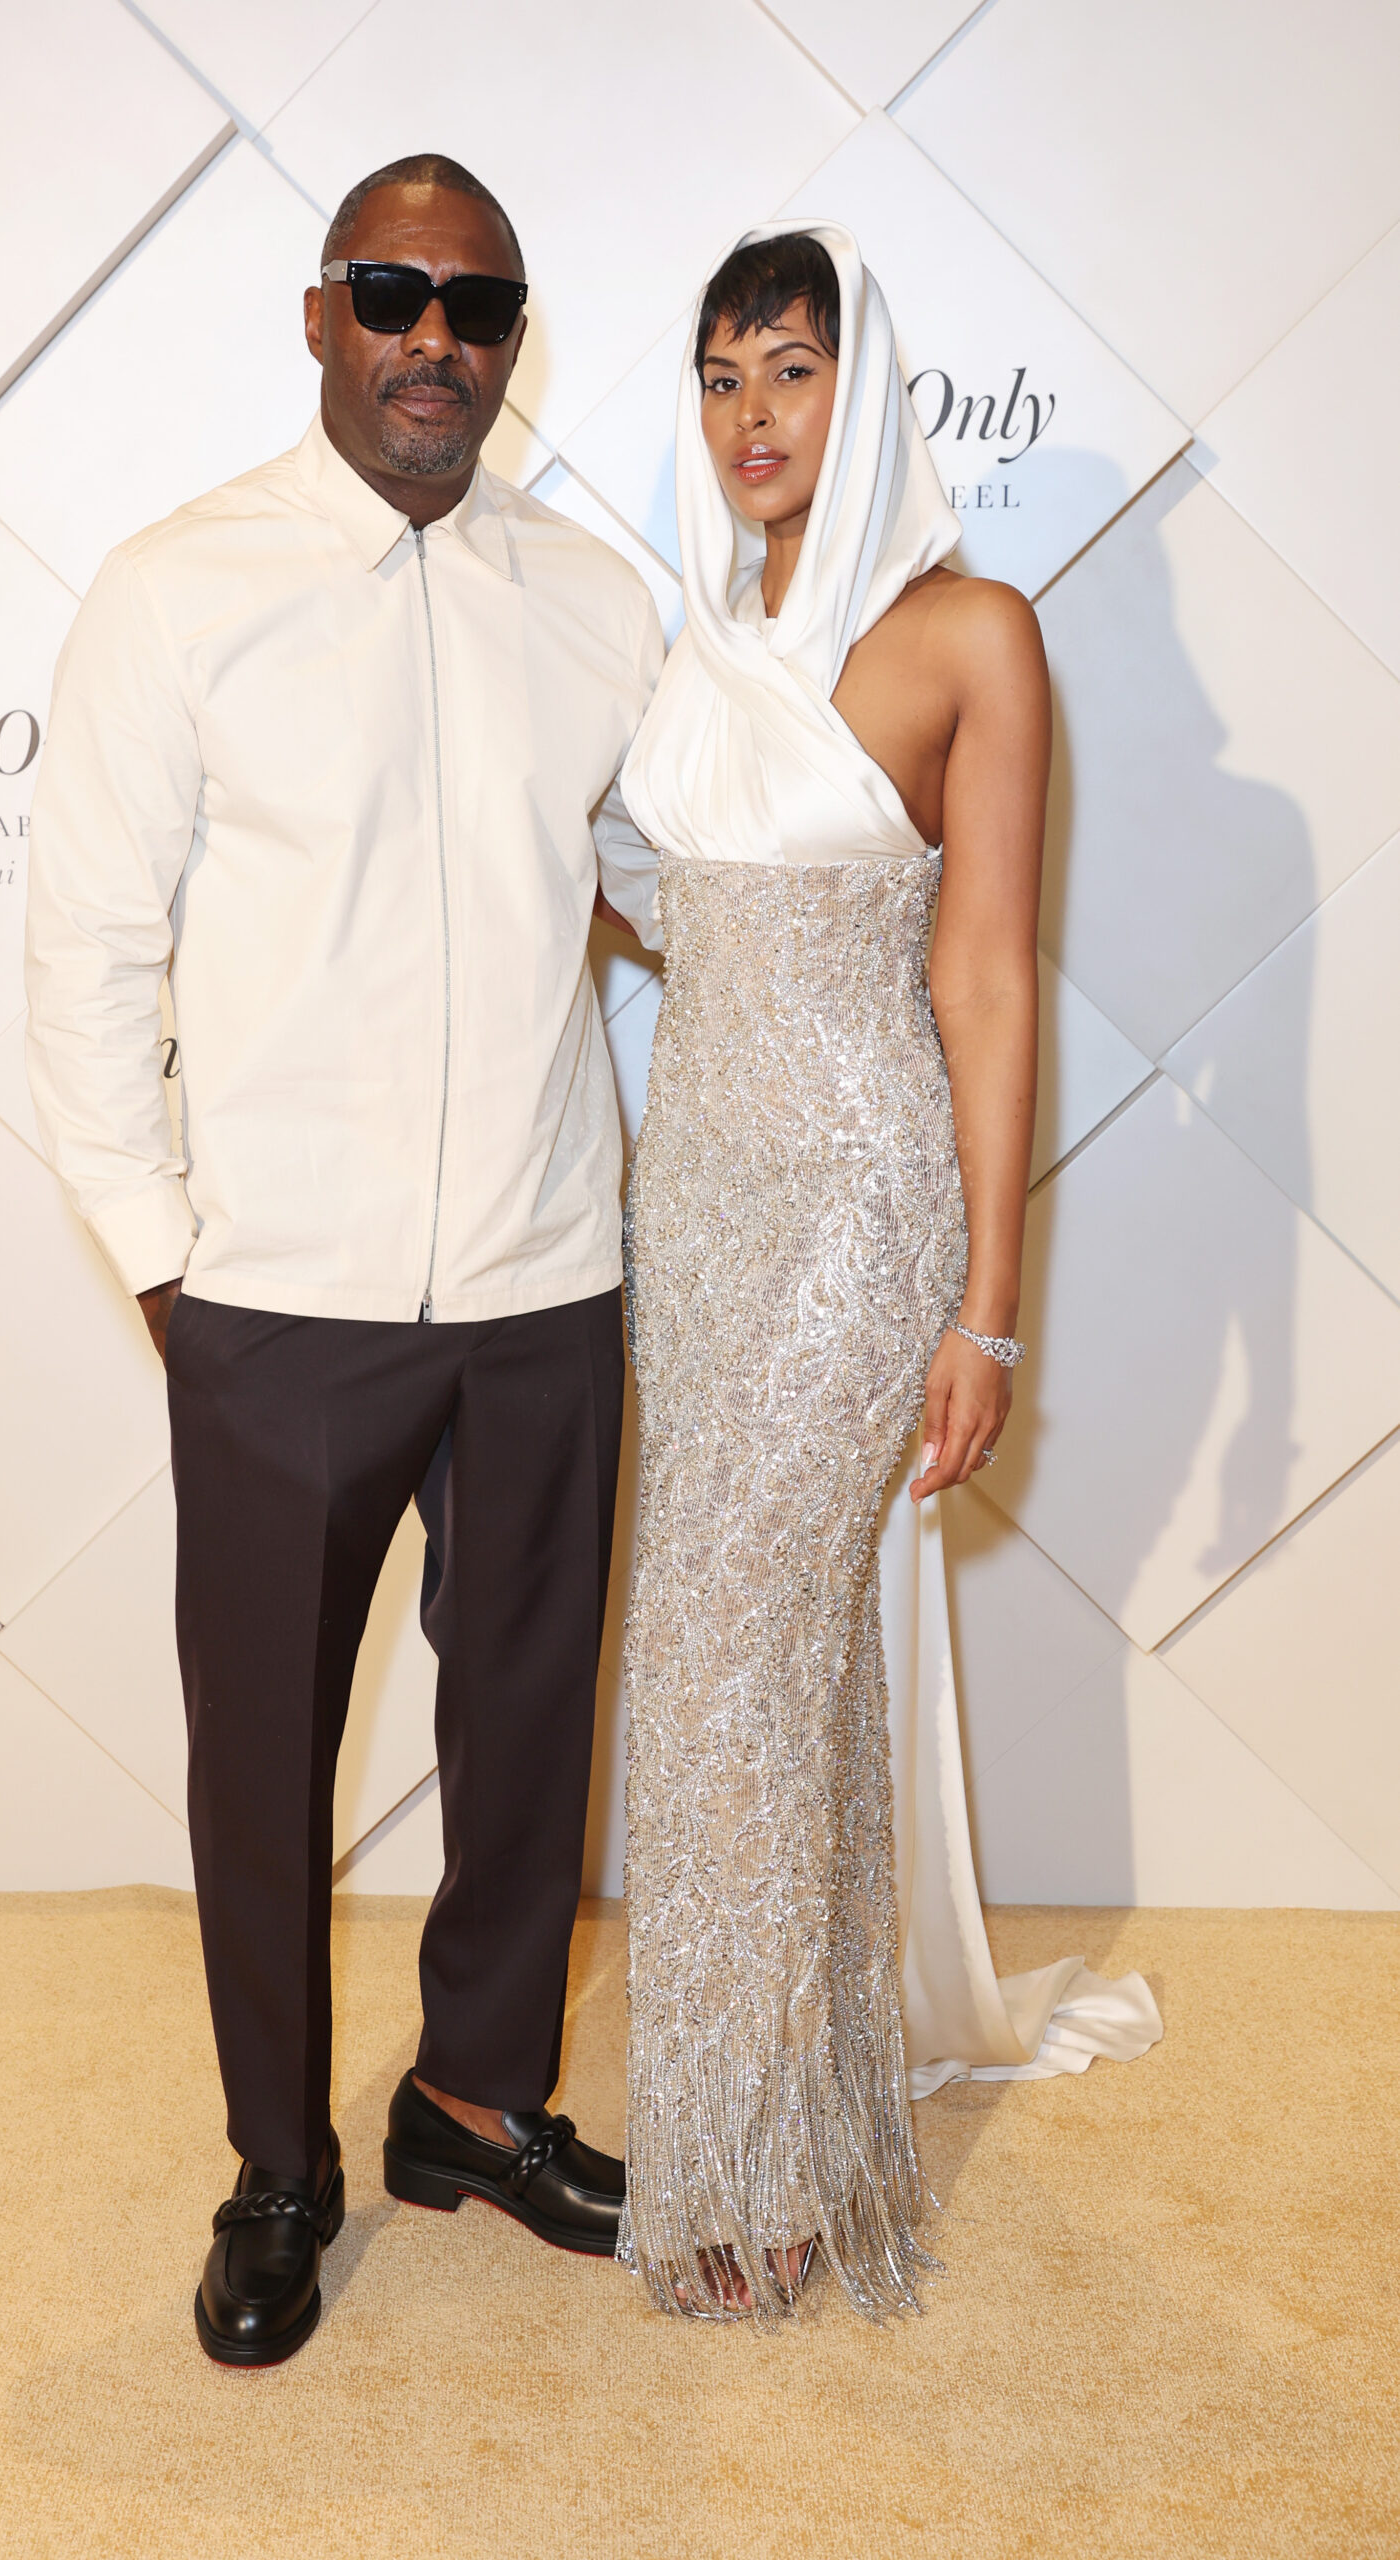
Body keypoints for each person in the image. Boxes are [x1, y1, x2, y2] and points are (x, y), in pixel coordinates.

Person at [24, 154, 665, 2366]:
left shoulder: (596, 603)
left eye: (476, 307)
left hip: (545, 1277)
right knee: (263, 1756)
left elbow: (679, 872)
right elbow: (88, 951)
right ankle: (278, 2163)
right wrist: (165, 1265)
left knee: (527, 1727)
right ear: (319, 314)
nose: (433, 340)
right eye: (393, 292)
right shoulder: (174, 589)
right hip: (276, 1300)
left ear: (513, 344)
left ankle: (473, 2101)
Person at [616, 223, 1158, 2325]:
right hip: (694, 1215)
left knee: (725, 1674)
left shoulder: (971, 635)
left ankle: (748, 2170)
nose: (752, 414)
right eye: (720, 375)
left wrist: (983, 1306)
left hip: (858, 1216)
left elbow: (989, 977)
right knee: (762, 1677)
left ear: (868, 393)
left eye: (791, 367)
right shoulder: (693, 643)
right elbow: (671, 905)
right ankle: (798, 2121)